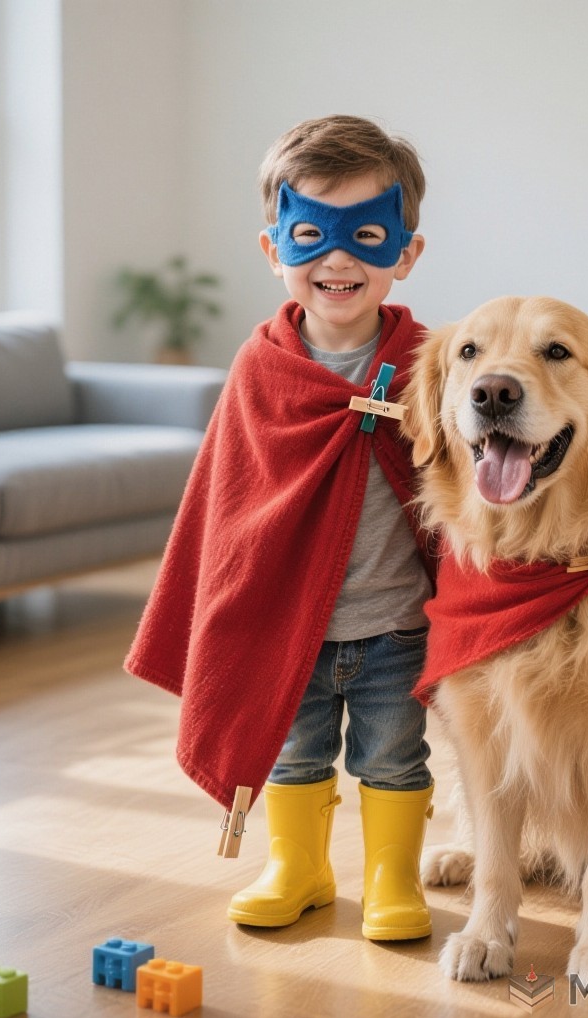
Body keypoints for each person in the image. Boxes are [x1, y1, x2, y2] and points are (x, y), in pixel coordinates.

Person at [125, 115, 436, 941]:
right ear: (275, 250)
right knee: (295, 755)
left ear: (406, 253)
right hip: (288, 626)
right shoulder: (261, 366)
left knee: (395, 758)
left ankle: (390, 880)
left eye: (367, 237)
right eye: (311, 236)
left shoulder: (432, 365)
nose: (338, 261)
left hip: (395, 623)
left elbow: (464, 491)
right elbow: (230, 510)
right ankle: (297, 867)